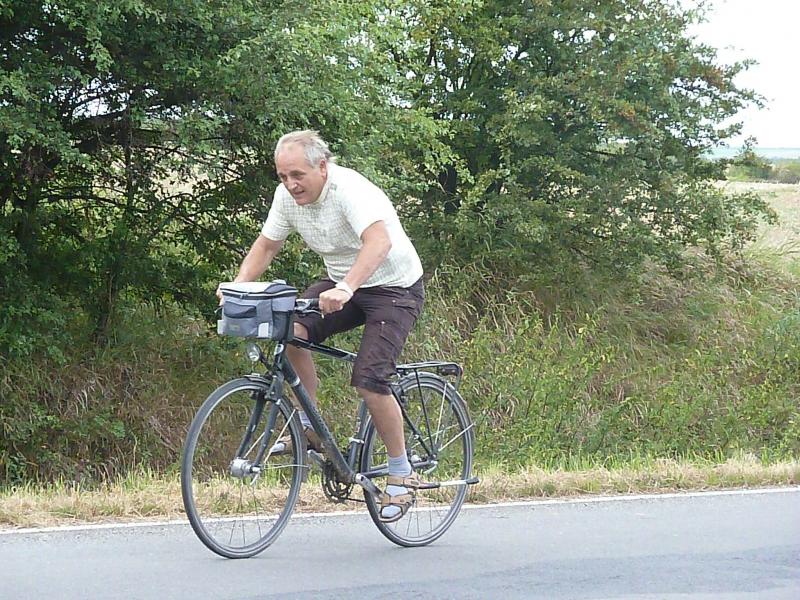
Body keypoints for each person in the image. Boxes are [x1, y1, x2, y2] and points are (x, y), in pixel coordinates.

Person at [221, 130, 425, 522]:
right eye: (283, 176)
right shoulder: (286, 198)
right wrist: (238, 286)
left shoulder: (350, 191)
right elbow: (267, 245)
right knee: (288, 331)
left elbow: (379, 242)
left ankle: (401, 470)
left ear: (322, 167)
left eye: (297, 175)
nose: (290, 184)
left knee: (369, 379)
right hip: (341, 282)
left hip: (393, 287)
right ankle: (308, 424)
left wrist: (347, 287)